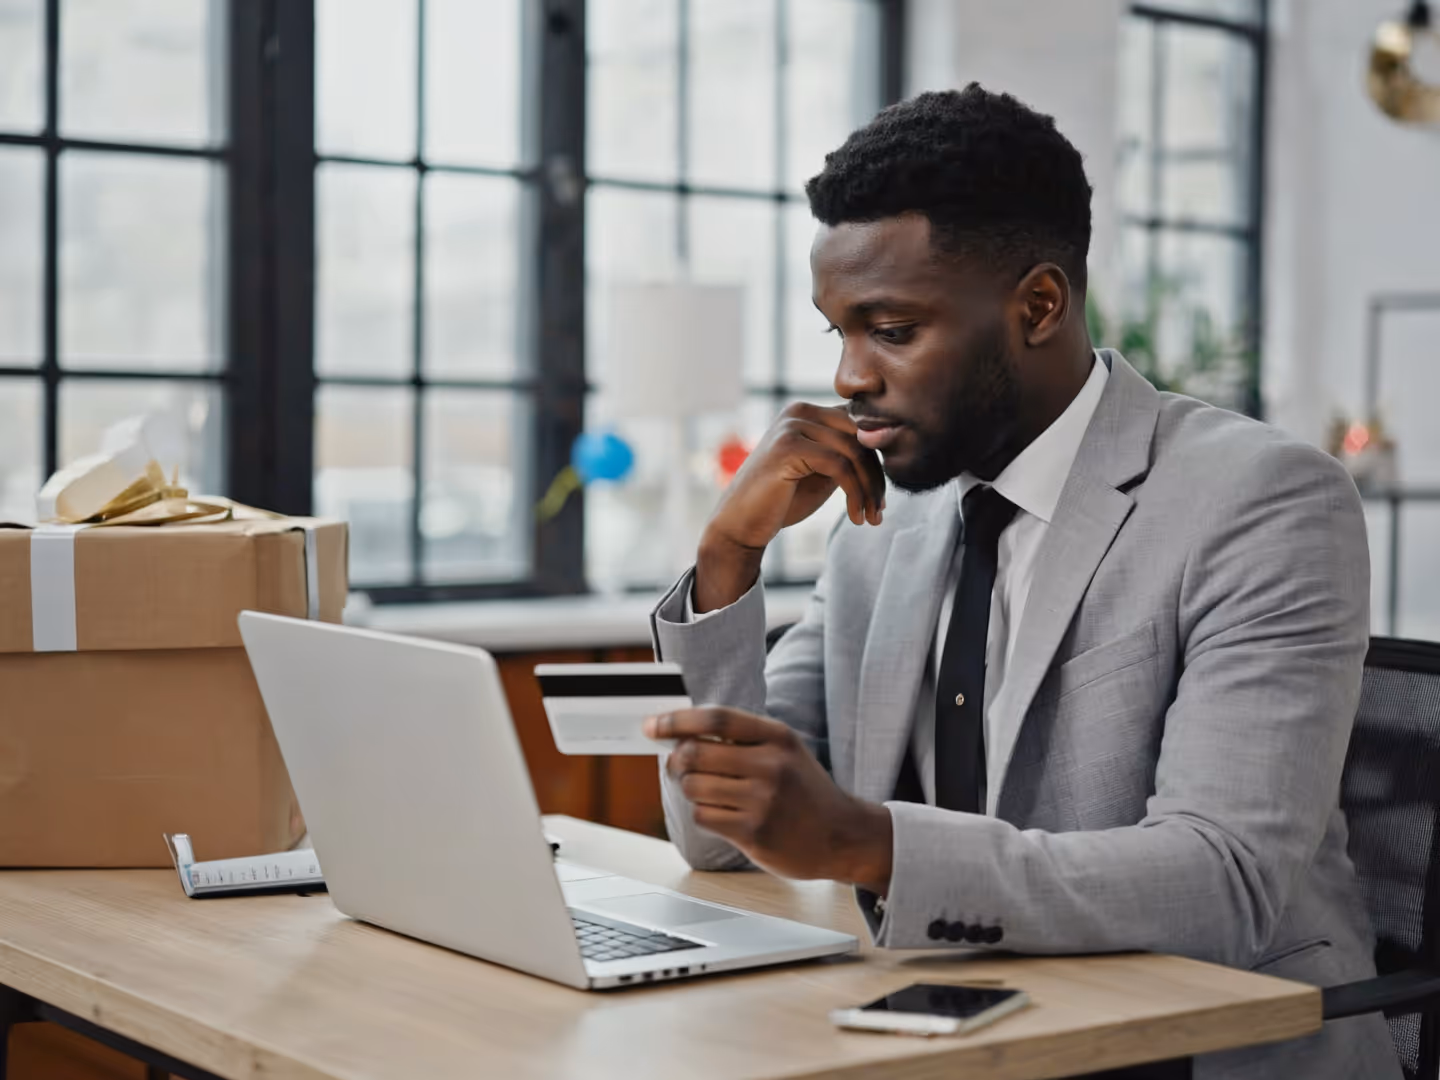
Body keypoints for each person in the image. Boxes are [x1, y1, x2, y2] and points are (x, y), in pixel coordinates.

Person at [643, 86, 1397, 1079]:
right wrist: (728, 559)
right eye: (841, 333)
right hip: (980, 1030)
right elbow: (721, 839)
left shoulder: (1260, 498)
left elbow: (1222, 882)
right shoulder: (887, 517)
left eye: (894, 331)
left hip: (1196, 1046)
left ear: (1037, 306)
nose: (851, 379)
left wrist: (870, 844)